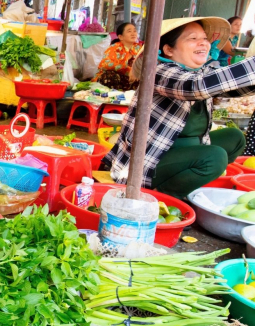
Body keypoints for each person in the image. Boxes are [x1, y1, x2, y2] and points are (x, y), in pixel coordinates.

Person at [102, 17, 255, 199]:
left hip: (188, 149)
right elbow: (196, 86)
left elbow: (234, 88)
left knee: (235, 138)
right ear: (168, 50)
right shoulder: (159, 72)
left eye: (205, 38)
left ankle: (189, 180)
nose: (203, 43)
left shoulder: (201, 72)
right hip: (151, 159)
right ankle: (161, 196)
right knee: (215, 157)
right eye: (193, 38)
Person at [92, 22, 141, 90]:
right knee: (109, 76)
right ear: (120, 37)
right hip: (114, 79)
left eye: (135, 31)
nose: (133, 34)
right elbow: (106, 64)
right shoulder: (114, 48)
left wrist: (136, 72)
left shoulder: (139, 48)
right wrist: (129, 69)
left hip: (129, 79)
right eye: (129, 31)